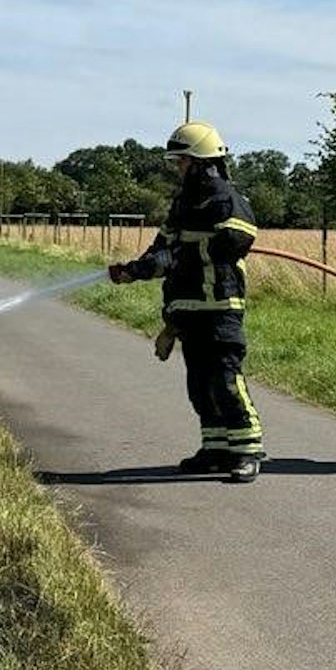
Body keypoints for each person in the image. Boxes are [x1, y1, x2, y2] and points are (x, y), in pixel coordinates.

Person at [108, 121, 265, 483]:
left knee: (226, 379)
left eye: (181, 162)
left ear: (200, 162)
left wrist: (184, 253)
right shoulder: (183, 203)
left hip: (220, 306)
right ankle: (216, 448)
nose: (177, 169)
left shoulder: (226, 198)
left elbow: (237, 241)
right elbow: (163, 248)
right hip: (188, 309)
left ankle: (247, 449)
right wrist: (136, 270)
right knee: (199, 385)